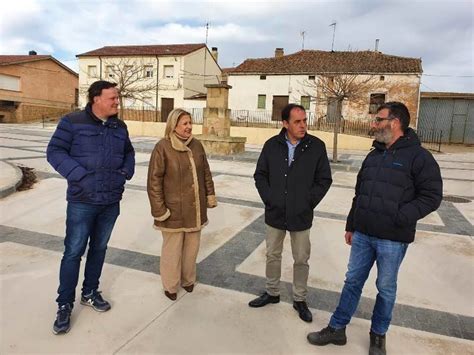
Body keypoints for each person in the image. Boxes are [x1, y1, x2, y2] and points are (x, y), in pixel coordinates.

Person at [307, 102, 443, 355]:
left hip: (392, 238)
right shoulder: (374, 154)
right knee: (353, 281)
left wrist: (400, 216)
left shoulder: (419, 157)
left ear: (394, 123)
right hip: (363, 234)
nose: (373, 125)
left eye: (378, 120)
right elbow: (360, 193)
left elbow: (432, 196)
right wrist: (351, 224)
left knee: (386, 288)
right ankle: (337, 329)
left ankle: (378, 335)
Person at [47, 80, 135, 334]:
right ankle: (64, 304)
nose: (117, 102)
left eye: (117, 98)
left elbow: (128, 153)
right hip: (82, 201)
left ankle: (90, 292)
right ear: (96, 98)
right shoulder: (72, 122)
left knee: (99, 248)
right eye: (112, 98)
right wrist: (79, 176)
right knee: (73, 252)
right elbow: (54, 151)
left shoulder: (120, 126)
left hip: (110, 201)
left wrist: (124, 173)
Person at [249, 103, 332, 322]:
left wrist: (307, 202)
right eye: (297, 121)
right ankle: (272, 292)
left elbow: (324, 180)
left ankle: (300, 299)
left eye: (305, 120)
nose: (303, 125)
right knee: (272, 255)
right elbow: (260, 175)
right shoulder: (271, 145)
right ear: (285, 123)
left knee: (301, 258)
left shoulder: (316, 146)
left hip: (301, 215)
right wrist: (270, 199)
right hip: (275, 213)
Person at [147, 108, 217, 301]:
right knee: (172, 250)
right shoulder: (163, 147)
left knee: (192, 248)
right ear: (174, 125)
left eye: (190, 122)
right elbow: (154, 181)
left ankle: (188, 280)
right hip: (173, 211)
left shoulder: (197, 146)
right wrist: (159, 210)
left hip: (195, 208)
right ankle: (170, 285)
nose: (189, 127)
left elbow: (206, 173)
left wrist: (210, 195)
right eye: (184, 123)